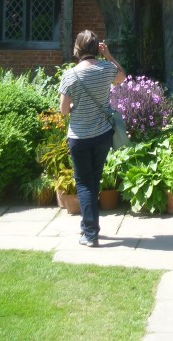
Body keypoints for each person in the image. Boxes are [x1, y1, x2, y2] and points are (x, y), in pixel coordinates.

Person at [59, 30, 126, 247]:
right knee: (93, 181)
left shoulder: (70, 75)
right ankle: (90, 227)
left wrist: (73, 105)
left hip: (79, 137)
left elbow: (63, 111)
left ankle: (89, 233)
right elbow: (122, 78)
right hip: (102, 136)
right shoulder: (106, 69)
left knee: (84, 184)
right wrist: (108, 55)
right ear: (97, 47)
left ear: (78, 48)